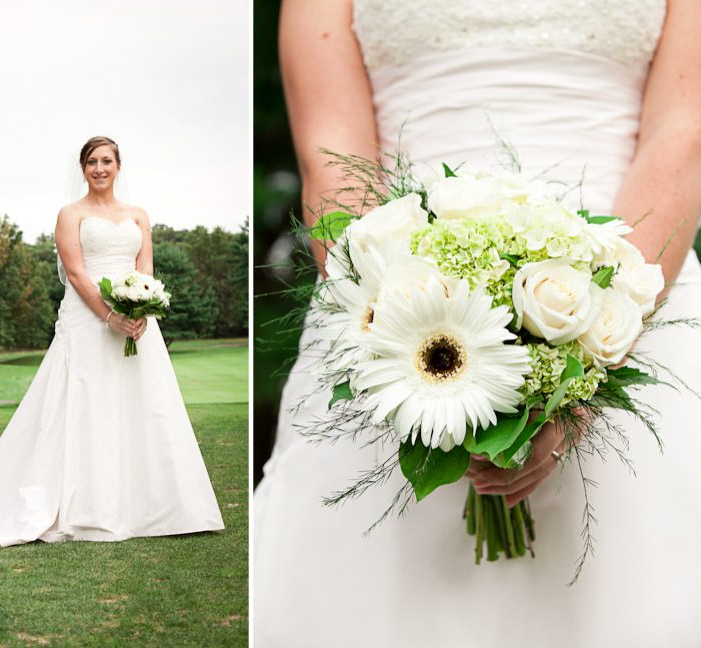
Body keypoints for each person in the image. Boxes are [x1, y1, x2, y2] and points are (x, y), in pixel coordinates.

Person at [254, 1, 701, 646]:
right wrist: (403, 324)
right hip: (397, 282)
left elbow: (681, 136)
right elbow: (333, 154)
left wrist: (591, 349)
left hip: (636, 277)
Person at [0, 136, 225, 545]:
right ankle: (89, 509)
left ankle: (157, 508)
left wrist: (141, 311)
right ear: (83, 169)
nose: (99, 168)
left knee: (145, 404)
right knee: (89, 404)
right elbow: (77, 274)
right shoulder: (70, 214)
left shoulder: (138, 215)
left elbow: (145, 268)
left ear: (119, 166)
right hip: (88, 322)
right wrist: (109, 317)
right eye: (91, 162)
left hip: (136, 324)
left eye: (106, 161)